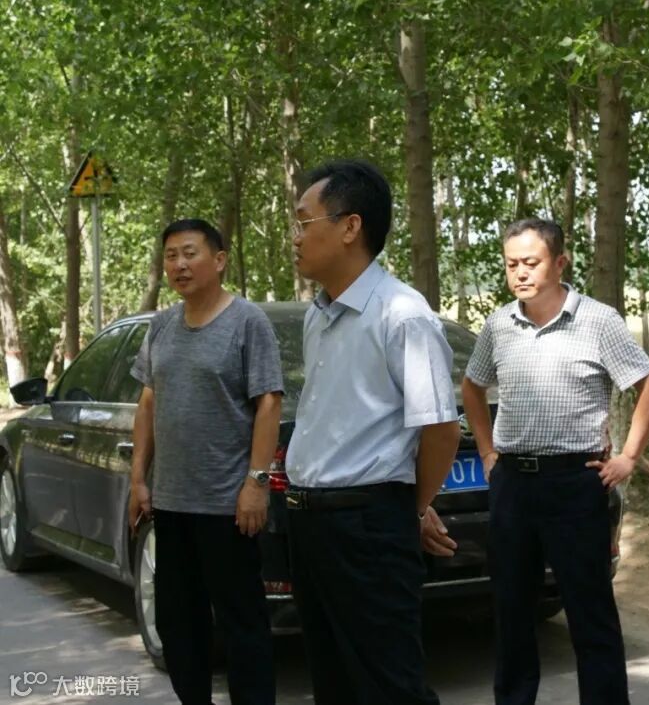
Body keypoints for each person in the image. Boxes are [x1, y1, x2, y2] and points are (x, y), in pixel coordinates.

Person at [458, 218, 649, 705]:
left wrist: (629, 456)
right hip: (512, 484)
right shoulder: (499, 325)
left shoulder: (598, 321)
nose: (520, 273)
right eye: (512, 264)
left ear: (559, 263)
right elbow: (472, 385)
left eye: (531, 263)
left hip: (576, 484)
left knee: (590, 613)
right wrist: (487, 452)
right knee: (511, 611)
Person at [285, 158, 460, 705]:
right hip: (310, 523)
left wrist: (410, 507)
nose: (295, 237)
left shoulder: (402, 314)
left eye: (304, 222)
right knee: (333, 681)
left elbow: (440, 428)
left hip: (367, 526)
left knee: (387, 684)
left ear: (350, 226)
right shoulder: (318, 315)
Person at [128, 218, 284, 705]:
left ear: (218, 260)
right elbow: (148, 403)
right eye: (171, 255)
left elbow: (269, 403)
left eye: (190, 253)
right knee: (178, 625)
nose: (179, 264)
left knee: (242, 627)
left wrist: (256, 483)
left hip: (227, 506)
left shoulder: (247, 322)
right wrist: (138, 479)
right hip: (171, 503)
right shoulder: (161, 326)